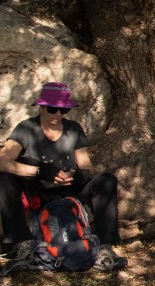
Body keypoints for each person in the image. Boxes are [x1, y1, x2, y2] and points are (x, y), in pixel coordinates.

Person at [0, 82, 126, 271]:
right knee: (4, 179)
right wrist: (39, 171)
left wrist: (80, 176)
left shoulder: (73, 128)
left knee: (106, 180)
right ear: (41, 107)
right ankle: (23, 244)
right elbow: (3, 161)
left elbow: (86, 164)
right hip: (38, 189)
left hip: (68, 188)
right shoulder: (26, 128)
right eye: (53, 109)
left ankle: (105, 246)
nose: (58, 115)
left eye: (64, 110)